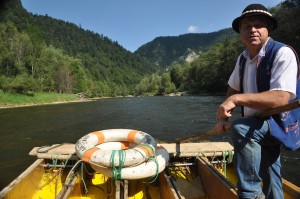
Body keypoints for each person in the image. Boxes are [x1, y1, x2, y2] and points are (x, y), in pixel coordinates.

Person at [215, 4, 299, 199]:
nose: (252, 30)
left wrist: (236, 100)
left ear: (268, 29)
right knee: (270, 170)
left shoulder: (282, 53)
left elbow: (281, 98)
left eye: (259, 25)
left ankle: (250, 194)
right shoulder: (243, 59)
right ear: (241, 32)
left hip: (279, 123)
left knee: (242, 128)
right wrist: (223, 118)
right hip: (258, 124)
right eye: (247, 26)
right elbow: (233, 89)